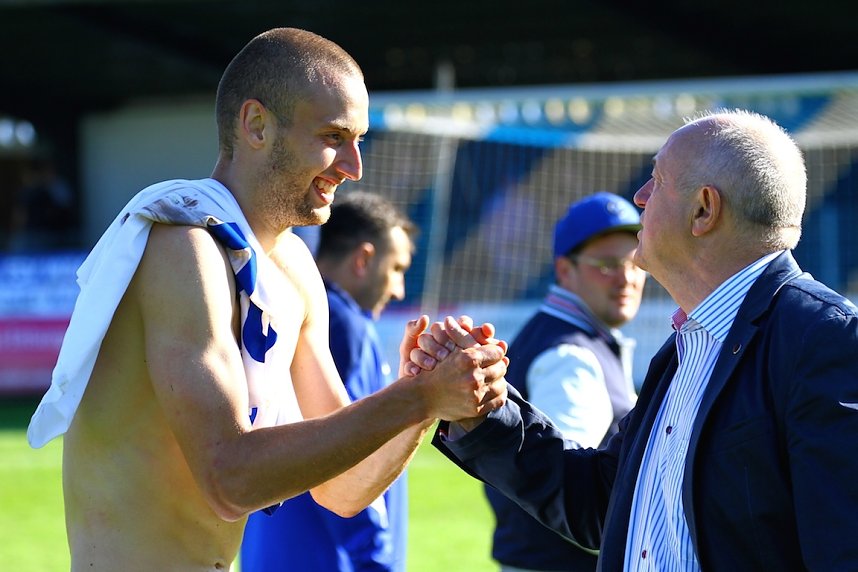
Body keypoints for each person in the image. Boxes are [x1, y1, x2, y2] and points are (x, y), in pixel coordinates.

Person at [26, 27, 507, 571]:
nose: (354, 167)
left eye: (359, 141)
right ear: (255, 125)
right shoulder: (182, 247)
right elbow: (229, 478)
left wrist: (423, 397)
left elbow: (344, 490)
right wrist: (417, 399)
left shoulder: (294, 266)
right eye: (333, 136)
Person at [424, 109, 858, 570]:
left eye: (657, 179)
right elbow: (604, 504)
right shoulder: (685, 346)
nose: (640, 196)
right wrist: (485, 409)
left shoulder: (826, 340)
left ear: (703, 209)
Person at [241, 191, 416, 571]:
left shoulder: (301, 313)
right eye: (397, 269)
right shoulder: (341, 325)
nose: (399, 289)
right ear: (364, 259)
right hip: (324, 558)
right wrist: (375, 563)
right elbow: (342, 453)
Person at [487, 192, 646, 572]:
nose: (626, 278)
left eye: (636, 263)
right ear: (564, 271)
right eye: (606, 265)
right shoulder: (569, 358)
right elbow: (567, 489)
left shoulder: (570, 339)